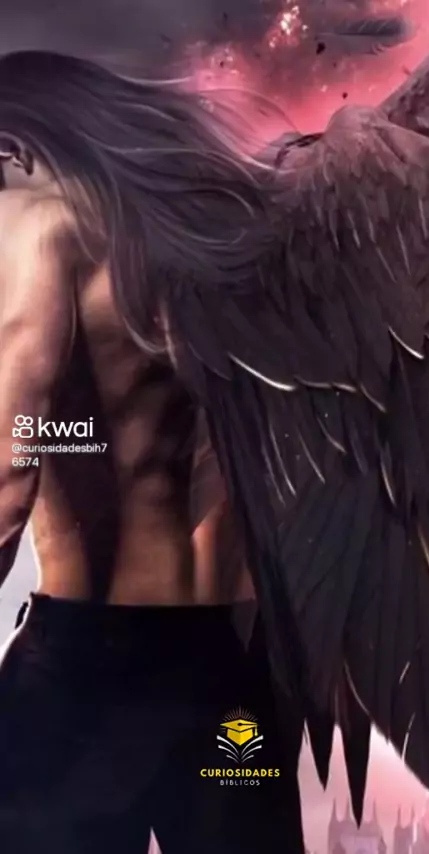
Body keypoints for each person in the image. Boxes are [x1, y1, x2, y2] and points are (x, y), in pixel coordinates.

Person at [0, 51, 304, 854]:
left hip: (86, 672)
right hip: (227, 666)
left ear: (15, 146)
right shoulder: (233, 236)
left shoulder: (39, 221)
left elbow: (11, 465)